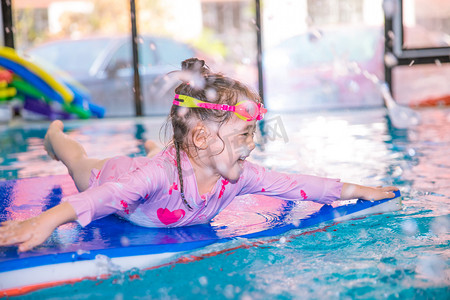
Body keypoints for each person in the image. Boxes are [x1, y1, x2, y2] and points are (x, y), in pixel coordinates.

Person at [0, 58, 398, 252]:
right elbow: (98, 199)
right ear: (204, 138)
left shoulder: (241, 174)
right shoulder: (150, 180)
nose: (253, 144)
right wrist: (44, 221)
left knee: (169, 159)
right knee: (79, 162)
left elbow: (295, 185)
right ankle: (56, 136)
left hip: (176, 161)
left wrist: (356, 189)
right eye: (245, 134)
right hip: (117, 179)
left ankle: (162, 149)